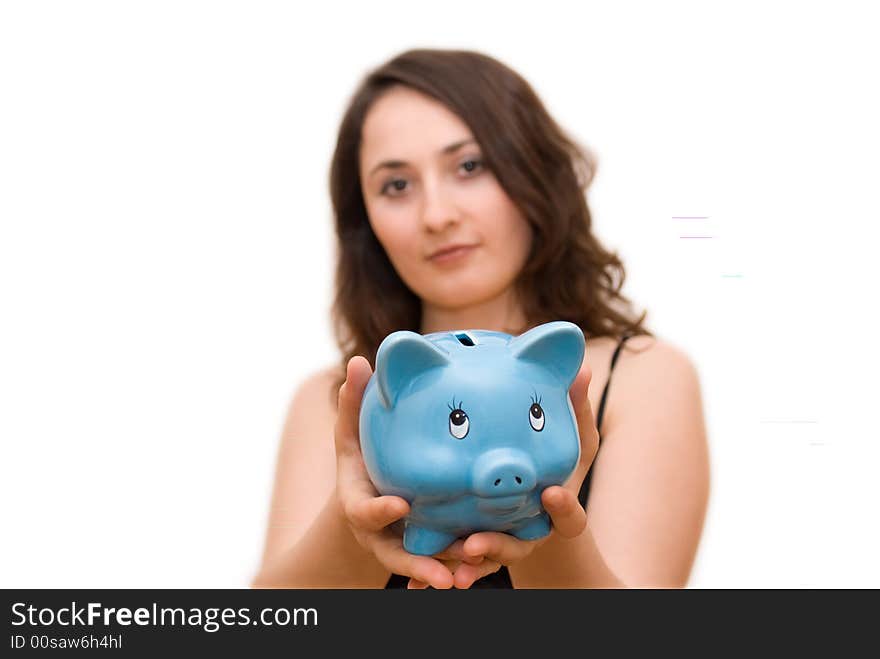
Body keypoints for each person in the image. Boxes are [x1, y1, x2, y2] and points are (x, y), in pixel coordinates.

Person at [251, 48, 710, 589]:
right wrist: (357, 517)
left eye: (469, 166)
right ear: (365, 221)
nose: (438, 215)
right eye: (396, 185)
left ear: (533, 173)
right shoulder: (338, 397)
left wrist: (540, 518)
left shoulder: (640, 376)